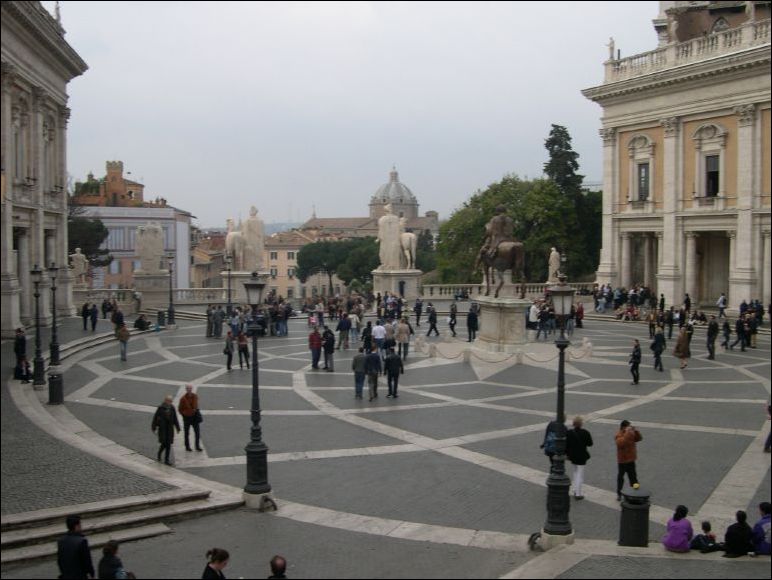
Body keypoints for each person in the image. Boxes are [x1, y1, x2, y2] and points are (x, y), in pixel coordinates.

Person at [57, 514, 95, 580]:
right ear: (76, 526)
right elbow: (87, 561)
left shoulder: (61, 541)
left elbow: (59, 561)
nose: (81, 527)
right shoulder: (82, 541)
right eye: (80, 525)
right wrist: (92, 574)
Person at [565, 416, 593, 500]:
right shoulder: (585, 432)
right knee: (580, 475)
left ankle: (574, 489)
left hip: (572, 456)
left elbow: (566, 445)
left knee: (575, 472)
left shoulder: (569, 432)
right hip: (581, 456)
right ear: (581, 423)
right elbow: (590, 444)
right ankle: (578, 493)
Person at [615, 420, 642, 501]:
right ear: (623, 427)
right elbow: (621, 443)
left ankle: (636, 492)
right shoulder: (618, 435)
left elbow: (639, 438)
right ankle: (619, 493)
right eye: (628, 426)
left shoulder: (631, 433)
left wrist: (636, 431)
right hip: (622, 461)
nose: (629, 428)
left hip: (630, 459)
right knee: (620, 478)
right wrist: (627, 433)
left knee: (633, 477)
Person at [152, 395, 180, 465]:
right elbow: (155, 418)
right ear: (165, 400)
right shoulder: (160, 408)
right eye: (169, 401)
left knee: (168, 445)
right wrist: (154, 427)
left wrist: (177, 427)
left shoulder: (172, 408)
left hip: (170, 429)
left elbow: (175, 418)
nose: (170, 402)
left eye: (171, 401)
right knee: (164, 444)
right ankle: (159, 453)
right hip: (163, 429)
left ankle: (166, 460)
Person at [178, 384, 203, 452]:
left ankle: (197, 446)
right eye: (188, 388)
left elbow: (196, 405)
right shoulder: (183, 399)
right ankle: (187, 446)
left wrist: (195, 409)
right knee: (186, 433)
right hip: (187, 418)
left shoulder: (195, 396)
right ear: (186, 389)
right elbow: (180, 409)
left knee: (197, 433)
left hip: (195, 417)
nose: (189, 390)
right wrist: (184, 415)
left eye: (190, 388)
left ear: (191, 389)